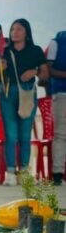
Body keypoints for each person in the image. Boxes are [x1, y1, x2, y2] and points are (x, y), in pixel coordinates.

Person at [0, 19, 49, 185]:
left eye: (19, 29)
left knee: (25, 135)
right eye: (12, 29)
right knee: (11, 134)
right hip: (8, 92)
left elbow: (45, 75)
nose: (14, 32)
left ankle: (24, 171)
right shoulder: (3, 51)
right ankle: (10, 173)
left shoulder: (35, 51)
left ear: (26, 32)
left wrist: (35, 71)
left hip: (28, 93)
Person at [46, 31, 66, 186]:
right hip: (61, 93)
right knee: (61, 134)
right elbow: (48, 70)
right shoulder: (57, 42)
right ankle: (58, 173)